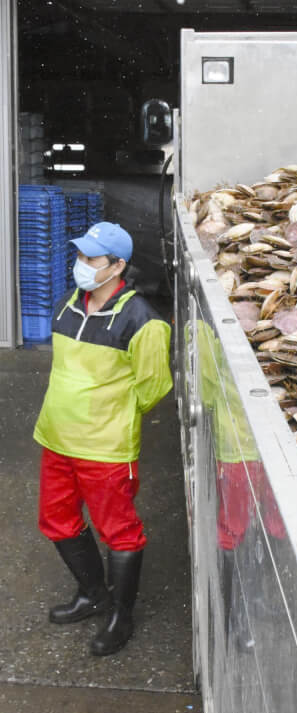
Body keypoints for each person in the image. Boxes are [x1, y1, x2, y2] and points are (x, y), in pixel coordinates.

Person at [33, 222, 172, 656]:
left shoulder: (141, 319)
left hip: (105, 449)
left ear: (118, 266)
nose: (82, 266)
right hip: (57, 437)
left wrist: (112, 417)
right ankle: (92, 593)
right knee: (56, 521)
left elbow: (154, 386)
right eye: (81, 256)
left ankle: (121, 616)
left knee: (119, 531)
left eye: (93, 259)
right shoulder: (67, 306)